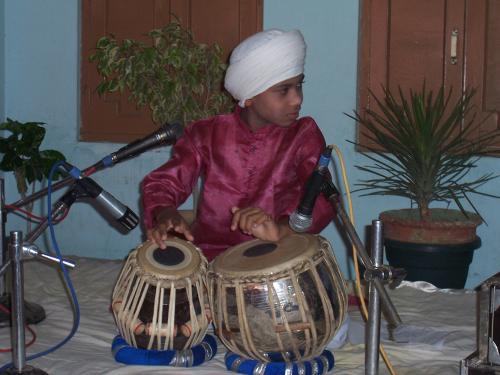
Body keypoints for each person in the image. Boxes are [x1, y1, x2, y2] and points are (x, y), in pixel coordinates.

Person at [142, 29, 334, 261]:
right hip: (210, 256)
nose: (297, 99)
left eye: (299, 86)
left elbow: (321, 199)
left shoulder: (303, 135)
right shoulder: (205, 134)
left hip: (277, 254)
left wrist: (280, 229)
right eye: (284, 90)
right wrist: (165, 212)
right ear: (250, 96)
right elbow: (164, 183)